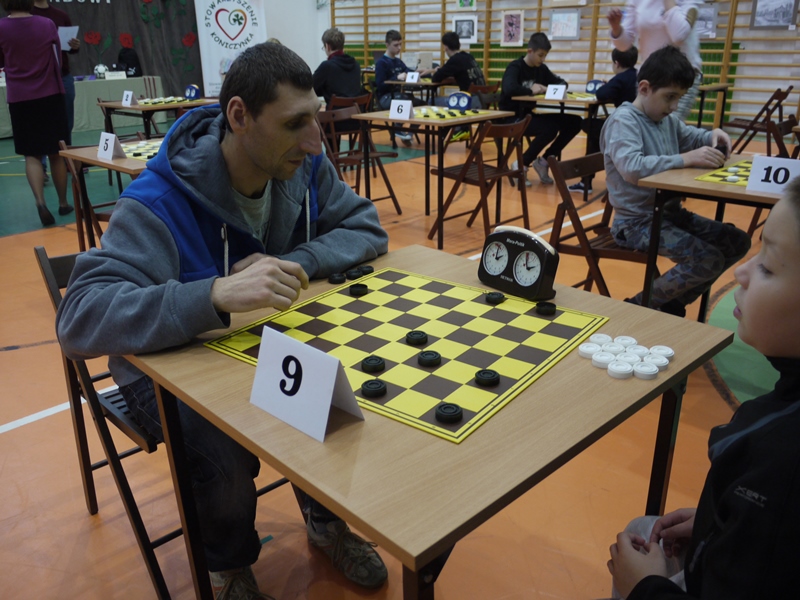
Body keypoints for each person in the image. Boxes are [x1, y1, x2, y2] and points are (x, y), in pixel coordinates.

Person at [56, 42, 389, 600]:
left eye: (315, 117)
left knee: (336, 387)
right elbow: (79, 317)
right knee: (225, 449)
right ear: (239, 116)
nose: (316, 141)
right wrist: (211, 294)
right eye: (295, 123)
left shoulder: (303, 167)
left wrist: (296, 261)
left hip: (261, 347)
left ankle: (326, 523)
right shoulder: (156, 201)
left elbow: (367, 229)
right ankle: (227, 564)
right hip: (160, 371)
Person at [607, 176, 800, 599]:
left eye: (767, 266)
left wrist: (644, 588)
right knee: (644, 527)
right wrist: (718, 518)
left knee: (638, 539)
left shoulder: (779, 468)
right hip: (641, 220)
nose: (742, 271)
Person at [600, 45, 750, 318]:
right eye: (670, 97)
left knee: (737, 242)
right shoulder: (624, 121)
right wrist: (685, 159)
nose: (674, 106)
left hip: (668, 213)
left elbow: (691, 137)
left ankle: (670, 303)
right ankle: (638, 305)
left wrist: (712, 135)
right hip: (635, 223)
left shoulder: (665, 119)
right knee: (707, 259)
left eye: (678, 98)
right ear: (644, 88)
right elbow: (632, 168)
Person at [0, 0, 73, 226]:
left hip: (20, 97)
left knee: (31, 155)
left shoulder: (1, 27)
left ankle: (40, 202)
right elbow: (58, 58)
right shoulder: (46, 24)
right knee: (56, 152)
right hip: (50, 93)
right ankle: (63, 203)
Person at [498, 32, 582, 186]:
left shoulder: (541, 69)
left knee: (575, 122)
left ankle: (543, 162)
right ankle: (521, 164)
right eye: (540, 55)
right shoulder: (515, 67)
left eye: (545, 56)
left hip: (529, 115)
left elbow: (562, 83)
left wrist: (548, 88)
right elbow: (509, 88)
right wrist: (531, 90)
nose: (543, 59)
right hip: (511, 117)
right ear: (530, 51)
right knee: (550, 128)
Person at [608, 0, 702, 121]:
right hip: (650, 76)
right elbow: (624, 46)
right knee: (643, 125)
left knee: (668, 127)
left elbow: (679, 35)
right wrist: (616, 28)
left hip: (679, 77)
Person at [570, 46, 639, 194]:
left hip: (624, 128)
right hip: (638, 125)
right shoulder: (637, 75)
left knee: (588, 124)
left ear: (616, 63)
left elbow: (601, 93)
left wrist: (608, 85)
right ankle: (586, 181)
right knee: (597, 134)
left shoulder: (620, 78)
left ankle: (586, 182)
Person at [374, 29, 431, 145]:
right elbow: (380, 86)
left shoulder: (398, 62)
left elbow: (409, 73)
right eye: (396, 45)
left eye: (400, 44)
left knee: (423, 104)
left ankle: (409, 133)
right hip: (385, 97)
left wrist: (421, 72)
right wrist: (396, 78)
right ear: (387, 45)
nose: (399, 48)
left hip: (399, 96)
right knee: (405, 101)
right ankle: (397, 127)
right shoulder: (381, 63)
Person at [313, 27, 362, 105]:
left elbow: (310, 89)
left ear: (327, 46)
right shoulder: (356, 65)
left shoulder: (327, 66)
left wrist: (325, 89)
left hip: (335, 112)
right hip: (355, 110)